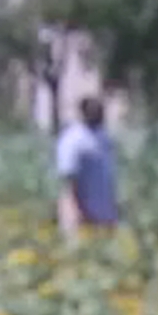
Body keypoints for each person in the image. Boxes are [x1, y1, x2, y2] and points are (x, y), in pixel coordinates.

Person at [55, 96, 119, 241]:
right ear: (84, 113)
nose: (100, 115)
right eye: (95, 111)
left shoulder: (104, 137)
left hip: (105, 213)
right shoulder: (73, 139)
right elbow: (68, 178)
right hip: (81, 212)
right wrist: (75, 210)